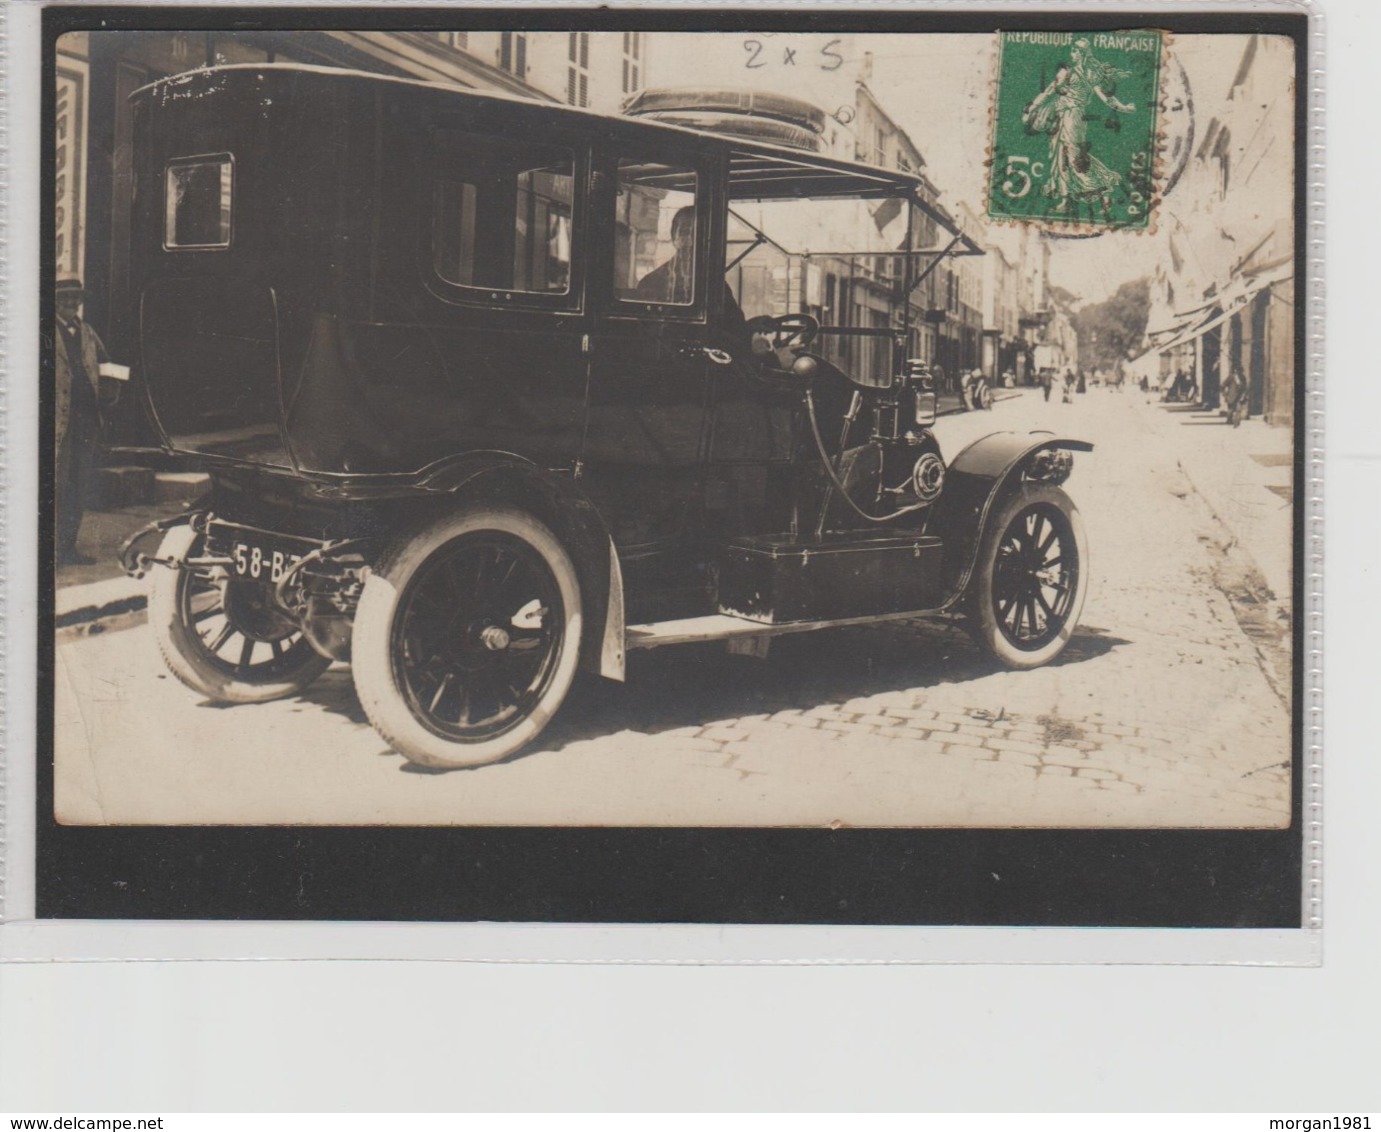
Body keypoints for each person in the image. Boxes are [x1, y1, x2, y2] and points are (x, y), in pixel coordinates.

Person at [1022, 38, 1137, 214]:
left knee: (1075, 157)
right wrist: (1032, 108)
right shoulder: (1065, 72)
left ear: (1082, 53)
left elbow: (1105, 97)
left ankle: (1104, 189)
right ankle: (1066, 199)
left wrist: (1124, 108)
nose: (1072, 54)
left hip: (1075, 118)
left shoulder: (1090, 75)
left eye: (1075, 51)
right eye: (1072, 50)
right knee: (1061, 156)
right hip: (1061, 116)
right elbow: (1049, 91)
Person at [54, 273, 116, 565]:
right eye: (64, 298)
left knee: (78, 486)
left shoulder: (87, 332)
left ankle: (67, 549)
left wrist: (110, 394)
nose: (70, 303)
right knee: (55, 485)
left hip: (85, 423)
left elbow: (107, 366)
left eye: (75, 298)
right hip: (57, 425)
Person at [634, 205, 752, 357]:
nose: (690, 241)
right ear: (673, 238)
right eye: (684, 232)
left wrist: (752, 336)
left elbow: (736, 326)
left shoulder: (715, 284)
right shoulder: (652, 283)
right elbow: (653, 339)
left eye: (697, 234)